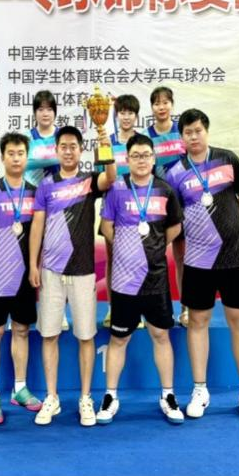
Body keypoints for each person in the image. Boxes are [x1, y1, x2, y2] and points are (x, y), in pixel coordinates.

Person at [166, 109, 239, 420]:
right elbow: (176, 218)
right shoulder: (175, 173)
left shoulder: (228, 159)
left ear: (206, 131)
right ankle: (200, 390)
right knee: (198, 321)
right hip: (198, 260)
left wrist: (227, 229)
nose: (193, 136)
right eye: (187, 132)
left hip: (234, 256)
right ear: (181, 137)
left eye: (198, 130)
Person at [29, 125, 116, 426]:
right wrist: (33, 264)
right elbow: (37, 226)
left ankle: (85, 398)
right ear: (56, 150)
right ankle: (51, 397)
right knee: (49, 335)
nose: (68, 151)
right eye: (63, 146)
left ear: (81, 150)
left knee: (86, 336)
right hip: (51, 271)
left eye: (73, 146)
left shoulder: (89, 181)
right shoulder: (46, 186)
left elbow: (111, 178)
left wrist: (105, 145)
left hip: (82, 272)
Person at [96, 134, 185, 425]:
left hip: (155, 278)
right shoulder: (117, 190)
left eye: (146, 155)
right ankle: (110, 396)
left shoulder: (165, 190)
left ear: (153, 158)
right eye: (136, 156)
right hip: (124, 280)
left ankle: (168, 395)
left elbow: (174, 227)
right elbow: (106, 227)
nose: (142, 160)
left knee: (161, 335)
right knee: (119, 338)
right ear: (127, 159)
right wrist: (127, 250)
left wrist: (155, 248)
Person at [0, 132, 42, 425]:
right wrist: (1, 256)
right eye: (11, 154)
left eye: (20, 153)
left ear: (27, 158)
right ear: (2, 158)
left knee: (21, 330)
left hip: (25, 277)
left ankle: (20, 388)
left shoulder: (35, 193)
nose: (16, 159)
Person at [144, 86, 189, 328]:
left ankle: (186, 308)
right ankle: (156, 310)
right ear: (151, 107)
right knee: (154, 257)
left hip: (184, 202)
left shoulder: (182, 131)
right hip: (156, 204)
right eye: (156, 103)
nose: (161, 107)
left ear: (172, 104)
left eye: (165, 102)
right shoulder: (146, 136)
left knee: (183, 258)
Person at [25, 90, 68, 331]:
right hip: (31, 203)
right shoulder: (26, 139)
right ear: (35, 113)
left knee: (58, 259)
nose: (45, 113)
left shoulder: (62, 138)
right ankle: (28, 312)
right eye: (40, 109)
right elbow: (20, 166)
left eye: (49, 109)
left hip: (59, 203)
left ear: (55, 113)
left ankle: (59, 313)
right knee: (31, 258)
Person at [103, 94, 144, 329]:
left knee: (139, 258)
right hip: (113, 209)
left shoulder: (143, 142)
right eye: (122, 112)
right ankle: (112, 308)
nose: (126, 117)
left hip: (139, 210)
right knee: (113, 258)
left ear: (136, 116)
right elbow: (103, 176)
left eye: (130, 113)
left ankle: (139, 309)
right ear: (116, 115)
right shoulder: (107, 142)